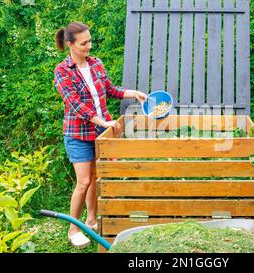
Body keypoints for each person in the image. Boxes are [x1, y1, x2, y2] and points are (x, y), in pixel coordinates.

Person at [54, 22, 147, 248]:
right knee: (84, 181)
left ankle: (92, 220)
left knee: (96, 177)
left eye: (90, 40)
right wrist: (101, 120)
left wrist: (134, 93)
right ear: (70, 45)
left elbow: (110, 90)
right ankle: (73, 229)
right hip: (78, 133)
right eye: (84, 43)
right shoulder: (62, 71)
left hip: (101, 132)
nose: (89, 46)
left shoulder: (96, 64)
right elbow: (75, 105)